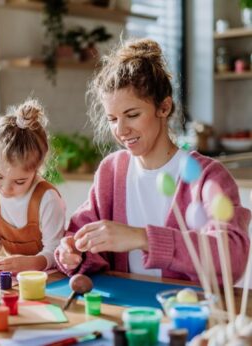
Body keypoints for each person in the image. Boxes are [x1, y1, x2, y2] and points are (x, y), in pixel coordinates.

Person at [55, 38, 250, 283]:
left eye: (132, 115)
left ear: (164, 107)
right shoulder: (111, 172)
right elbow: (80, 237)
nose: (121, 130)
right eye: (112, 119)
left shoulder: (207, 177)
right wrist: (73, 252)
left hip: (188, 316)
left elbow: (233, 255)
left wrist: (143, 238)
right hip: (128, 313)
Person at [0, 99, 66, 274]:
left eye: (19, 182)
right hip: (12, 281)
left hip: (47, 280)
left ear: (37, 169)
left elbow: (56, 252)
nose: (5, 188)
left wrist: (32, 264)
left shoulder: (47, 199)